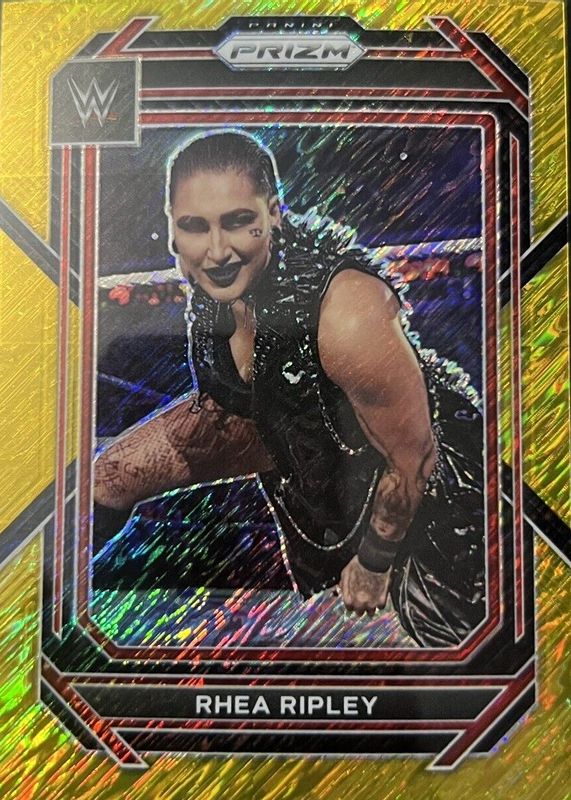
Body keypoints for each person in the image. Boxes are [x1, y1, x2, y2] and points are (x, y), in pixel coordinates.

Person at [93, 131, 485, 647]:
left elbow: (415, 460)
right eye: (195, 226)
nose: (217, 250)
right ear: (172, 226)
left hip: (433, 496)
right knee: (110, 477)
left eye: (238, 221)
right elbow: (240, 397)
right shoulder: (214, 283)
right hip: (292, 425)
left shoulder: (346, 312)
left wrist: (374, 561)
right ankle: (35, 610)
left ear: (274, 214)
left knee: (438, 639)